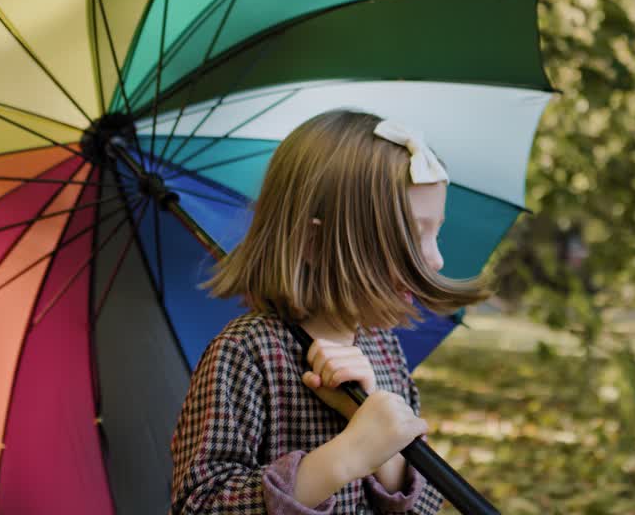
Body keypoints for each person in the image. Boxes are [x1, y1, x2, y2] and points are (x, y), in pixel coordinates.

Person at [170, 110, 486, 514]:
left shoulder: (384, 351)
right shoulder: (246, 354)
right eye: (410, 235)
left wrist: (386, 452)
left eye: (434, 232)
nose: (435, 259)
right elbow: (198, 506)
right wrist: (345, 457)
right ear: (314, 242)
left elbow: (425, 506)